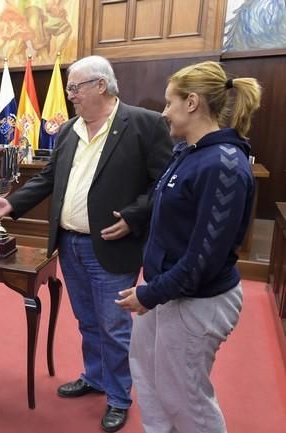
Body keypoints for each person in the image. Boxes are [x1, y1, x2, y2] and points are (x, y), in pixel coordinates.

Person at [0, 55, 173, 432]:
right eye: (68, 88)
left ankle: (118, 396)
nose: (69, 95)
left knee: (114, 325)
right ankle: (95, 377)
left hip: (112, 247)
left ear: (101, 85)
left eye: (74, 87)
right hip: (69, 244)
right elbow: (48, 179)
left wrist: (134, 217)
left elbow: (162, 183)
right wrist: (11, 203)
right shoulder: (68, 130)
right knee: (86, 320)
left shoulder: (143, 125)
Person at [116, 61, 261, 433]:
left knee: (185, 397)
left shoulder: (223, 163)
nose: (164, 113)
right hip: (168, 292)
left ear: (192, 102)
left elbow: (203, 260)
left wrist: (150, 294)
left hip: (198, 299)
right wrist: (152, 288)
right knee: (148, 378)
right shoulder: (190, 152)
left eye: (169, 103)